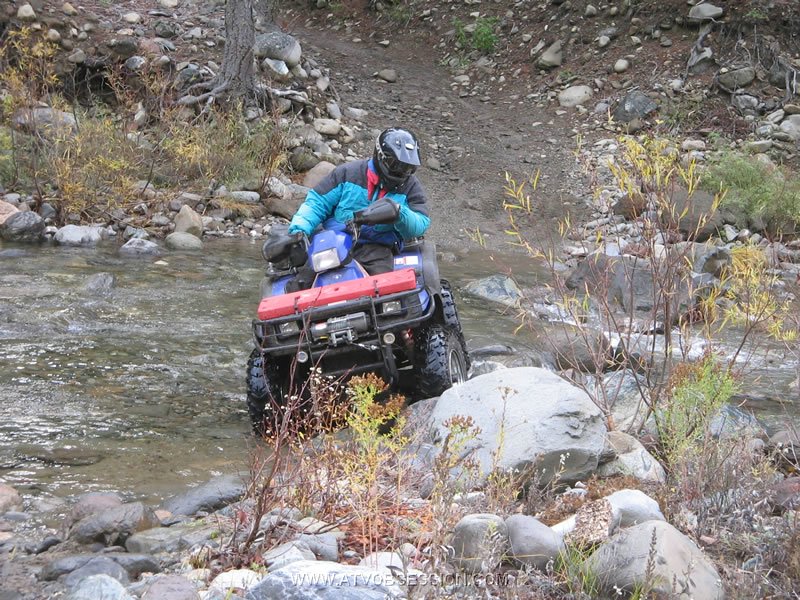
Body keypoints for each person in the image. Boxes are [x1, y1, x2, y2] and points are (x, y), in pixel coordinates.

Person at [287, 127, 431, 279]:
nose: (403, 172)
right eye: (397, 165)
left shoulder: (411, 187)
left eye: (409, 169)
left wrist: (399, 212)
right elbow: (316, 203)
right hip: (334, 240)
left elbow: (420, 224)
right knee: (302, 281)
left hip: (377, 247)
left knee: (384, 285)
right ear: (380, 156)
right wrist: (299, 229)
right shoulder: (347, 173)